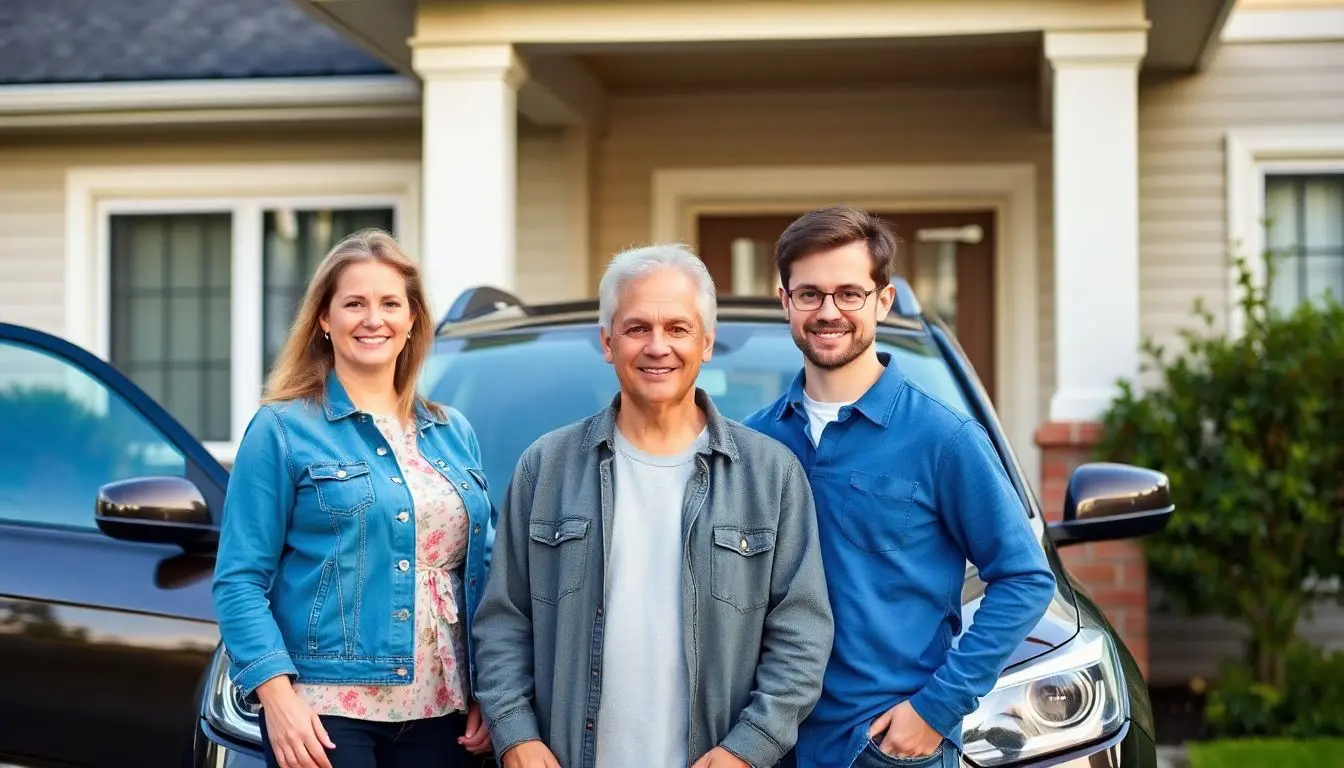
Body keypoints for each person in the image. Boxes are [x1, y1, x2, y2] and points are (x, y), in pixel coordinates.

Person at [471, 243, 834, 768]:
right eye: (638, 328)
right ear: (608, 341)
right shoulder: (544, 468)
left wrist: (746, 750)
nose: (657, 346)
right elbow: (504, 619)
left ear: (706, 342)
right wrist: (516, 735)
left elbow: (801, 634)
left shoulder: (770, 475)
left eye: (678, 328)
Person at [744, 206, 1057, 768]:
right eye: (810, 294)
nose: (828, 311)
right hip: (769, 746)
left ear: (882, 302)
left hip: (887, 748)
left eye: (849, 293)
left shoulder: (944, 437)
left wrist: (937, 708)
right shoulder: (756, 442)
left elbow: (1025, 578)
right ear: (785, 301)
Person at [212, 229, 495, 768]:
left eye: (390, 303)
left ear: (412, 319)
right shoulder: (282, 429)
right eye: (354, 303)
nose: (374, 319)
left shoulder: (452, 430)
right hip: (325, 714)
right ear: (324, 318)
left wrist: (491, 689)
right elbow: (239, 579)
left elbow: (484, 569)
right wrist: (277, 697)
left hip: (445, 711)